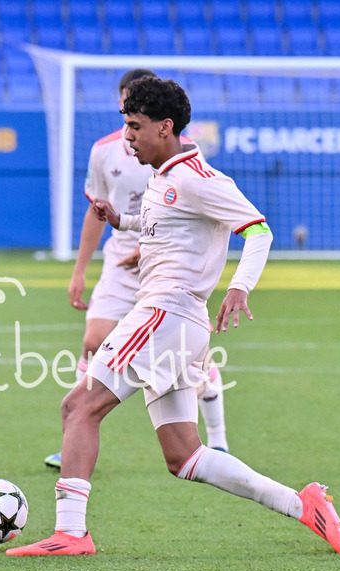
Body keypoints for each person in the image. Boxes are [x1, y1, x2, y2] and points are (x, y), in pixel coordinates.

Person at [8, 77, 340, 557]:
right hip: (177, 324)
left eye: (135, 126)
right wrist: (121, 222)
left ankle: (71, 533)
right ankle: (304, 505)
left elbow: (258, 232)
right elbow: (171, 229)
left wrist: (238, 287)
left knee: (78, 407)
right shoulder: (163, 176)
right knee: (184, 456)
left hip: (163, 315)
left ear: (165, 127)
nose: (127, 136)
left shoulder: (197, 178)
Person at [44, 68, 229, 470]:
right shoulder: (104, 151)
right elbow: (97, 213)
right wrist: (80, 270)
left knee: (192, 363)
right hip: (120, 262)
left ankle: (219, 440)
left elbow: (195, 220)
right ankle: (73, 437)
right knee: (93, 341)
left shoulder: (179, 152)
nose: (129, 117)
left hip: (168, 270)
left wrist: (150, 250)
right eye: (125, 107)